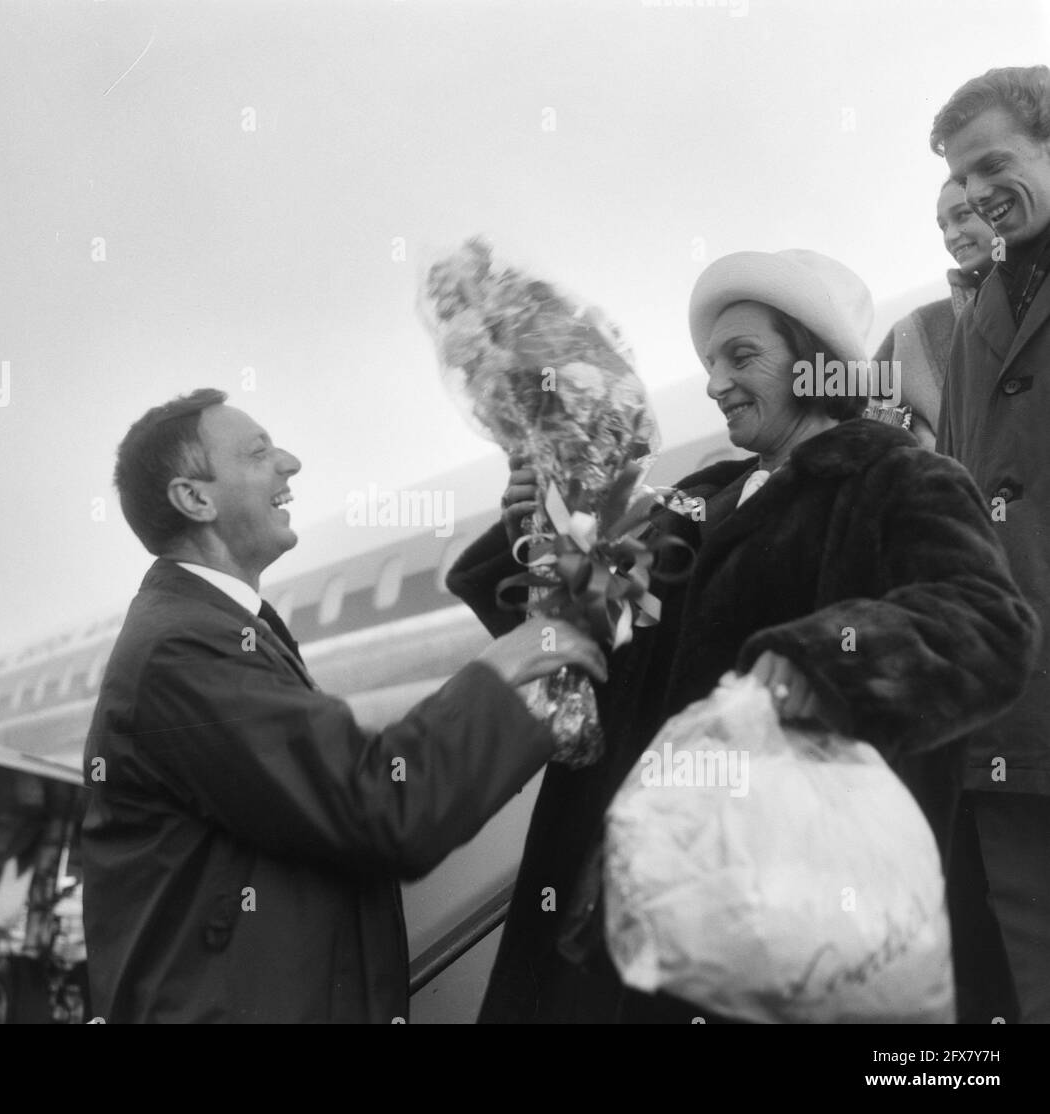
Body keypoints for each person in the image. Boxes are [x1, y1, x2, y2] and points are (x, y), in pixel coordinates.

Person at [447, 249, 1039, 1024]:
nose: (714, 382)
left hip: (785, 913)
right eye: (709, 362)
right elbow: (579, 650)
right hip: (628, 911)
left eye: (742, 356)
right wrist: (542, 525)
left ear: (816, 366)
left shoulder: (895, 478)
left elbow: (985, 622)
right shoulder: (691, 505)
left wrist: (823, 659)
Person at [80, 389, 606, 1023]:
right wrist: (506, 667)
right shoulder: (183, 649)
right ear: (195, 498)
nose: (290, 462)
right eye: (258, 452)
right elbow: (378, 804)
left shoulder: (220, 631)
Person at [932, 64, 1050, 1024]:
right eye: (960, 181)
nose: (974, 196)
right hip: (1008, 720)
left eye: (994, 165)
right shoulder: (975, 321)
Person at [867, 179, 996, 449]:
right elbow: (867, 408)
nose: (950, 236)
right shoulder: (916, 329)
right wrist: (915, 437)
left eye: (962, 215)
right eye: (943, 226)